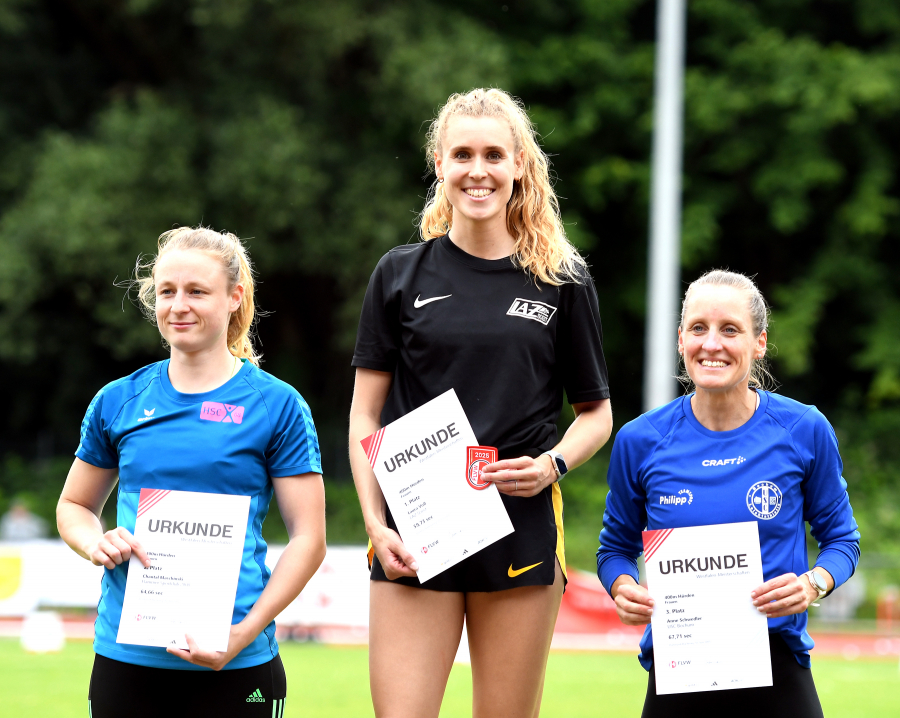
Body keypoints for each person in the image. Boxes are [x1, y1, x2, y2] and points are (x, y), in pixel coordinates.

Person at [349, 88, 613, 718]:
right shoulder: (398, 274)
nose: (478, 170)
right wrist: (374, 523)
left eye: (493, 154)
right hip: (414, 530)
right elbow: (365, 415)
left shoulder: (562, 279)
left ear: (519, 164)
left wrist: (551, 466)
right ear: (439, 163)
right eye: (462, 153)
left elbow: (596, 414)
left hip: (519, 526)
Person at [56, 227, 326, 717]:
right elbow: (74, 506)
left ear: (233, 297)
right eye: (167, 292)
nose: (179, 305)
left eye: (197, 291)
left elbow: (309, 538)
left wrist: (241, 635)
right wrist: (95, 542)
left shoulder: (278, 405)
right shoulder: (119, 400)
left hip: (236, 659)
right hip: (127, 656)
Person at [597, 270, 860, 718]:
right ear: (681, 340)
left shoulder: (804, 429)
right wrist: (623, 588)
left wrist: (813, 584)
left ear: (759, 343)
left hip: (778, 665)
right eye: (698, 328)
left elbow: (842, 541)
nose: (712, 344)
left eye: (730, 330)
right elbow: (614, 550)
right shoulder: (640, 439)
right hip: (679, 665)